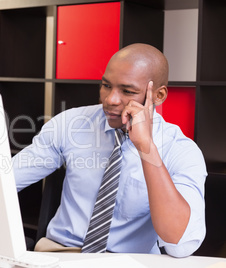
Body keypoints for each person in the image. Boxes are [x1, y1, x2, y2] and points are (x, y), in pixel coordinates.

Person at [12, 43, 207, 258]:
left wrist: (146, 148)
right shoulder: (70, 124)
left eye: (127, 91)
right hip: (61, 254)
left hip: (132, 261)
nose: (110, 100)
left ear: (158, 95)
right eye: (106, 85)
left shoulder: (180, 150)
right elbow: (7, 180)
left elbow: (180, 245)